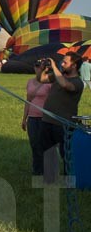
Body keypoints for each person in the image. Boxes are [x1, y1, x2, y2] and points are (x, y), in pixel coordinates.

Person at [38, 51, 86, 183]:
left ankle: (68, 180)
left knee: (66, 153)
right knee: (48, 151)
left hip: (63, 123)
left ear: (74, 66)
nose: (62, 64)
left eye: (65, 62)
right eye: (61, 62)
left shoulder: (77, 82)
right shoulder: (58, 76)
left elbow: (66, 85)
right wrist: (42, 69)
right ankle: (50, 178)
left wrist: (54, 66)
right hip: (47, 120)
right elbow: (41, 80)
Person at [23, 60, 53, 175]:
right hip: (32, 117)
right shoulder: (30, 81)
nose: (36, 68)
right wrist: (24, 118)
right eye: (35, 65)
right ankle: (37, 170)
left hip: (44, 118)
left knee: (45, 144)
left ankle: (48, 170)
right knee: (34, 144)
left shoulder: (49, 82)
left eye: (39, 66)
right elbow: (28, 100)